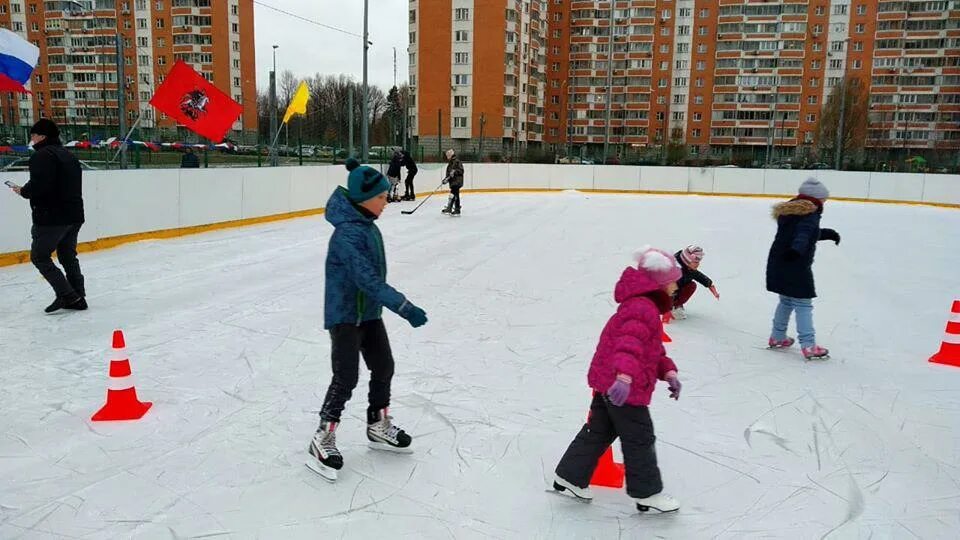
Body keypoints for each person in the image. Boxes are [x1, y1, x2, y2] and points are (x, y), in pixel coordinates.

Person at [307, 158, 429, 481]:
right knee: (346, 377)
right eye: (381, 197)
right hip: (346, 314)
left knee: (384, 366)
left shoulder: (366, 226)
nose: (386, 202)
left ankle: (377, 423)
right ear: (363, 200)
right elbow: (368, 281)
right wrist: (404, 307)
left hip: (369, 314)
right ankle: (323, 435)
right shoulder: (347, 235)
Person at [553, 247, 683, 513]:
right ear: (659, 282)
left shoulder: (643, 305)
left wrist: (668, 372)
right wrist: (624, 377)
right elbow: (628, 344)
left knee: (599, 431)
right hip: (624, 386)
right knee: (640, 437)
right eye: (672, 280)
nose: (676, 285)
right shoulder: (642, 308)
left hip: (610, 382)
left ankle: (570, 475)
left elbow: (652, 349)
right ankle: (647, 493)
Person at [8, 119, 87, 313]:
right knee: (68, 255)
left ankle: (68, 295)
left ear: (42, 136)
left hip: (52, 217)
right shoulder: (69, 154)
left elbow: (41, 185)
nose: (31, 139)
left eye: (33, 135)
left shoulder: (41, 156)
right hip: (74, 214)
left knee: (40, 257)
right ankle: (78, 295)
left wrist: (24, 191)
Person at [766, 178, 840, 359]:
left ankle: (777, 337)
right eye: (823, 200)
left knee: (786, 301)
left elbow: (804, 232)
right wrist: (796, 251)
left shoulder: (790, 213)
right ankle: (808, 345)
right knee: (803, 304)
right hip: (795, 264)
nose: (824, 203)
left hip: (779, 261)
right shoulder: (810, 214)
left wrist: (826, 234)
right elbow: (803, 234)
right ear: (815, 199)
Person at [669, 245, 719, 320]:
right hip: (665, 292)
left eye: (698, 262)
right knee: (670, 288)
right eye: (695, 262)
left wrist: (711, 287)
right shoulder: (673, 269)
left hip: (677, 291)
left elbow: (701, 277)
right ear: (687, 260)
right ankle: (666, 307)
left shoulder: (690, 270)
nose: (698, 264)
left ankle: (676, 306)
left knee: (692, 285)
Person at [442, 148, 464, 215]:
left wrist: (455, 172)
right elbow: (449, 174)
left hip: (457, 181)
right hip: (453, 182)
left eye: (448, 156)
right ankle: (452, 208)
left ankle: (454, 209)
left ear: (450, 155)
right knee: (453, 195)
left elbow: (461, 171)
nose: (447, 157)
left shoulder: (457, 161)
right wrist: (445, 180)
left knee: (454, 194)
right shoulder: (451, 163)